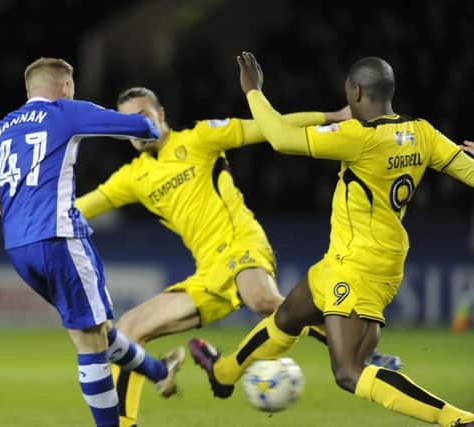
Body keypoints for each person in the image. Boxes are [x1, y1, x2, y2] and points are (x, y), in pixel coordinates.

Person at [0, 86, 401, 426]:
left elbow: (264, 128)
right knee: (127, 330)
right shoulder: (133, 177)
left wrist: (331, 116)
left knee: (264, 302)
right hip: (207, 273)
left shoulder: (200, 139)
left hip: (242, 245)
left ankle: (360, 354)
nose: (140, 128)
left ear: (162, 113)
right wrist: (19, 201)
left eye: (145, 116)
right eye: (130, 122)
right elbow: (77, 206)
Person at [189, 52, 474, 427]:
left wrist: (253, 92)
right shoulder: (422, 131)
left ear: (355, 91)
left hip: (359, 267)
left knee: (349, 372)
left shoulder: (359, 137)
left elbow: (279, 138)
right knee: (288, 315)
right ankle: (224, 373)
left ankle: (457, 420)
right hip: (352, 258)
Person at [0, 57, 185, 427]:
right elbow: (135, 126)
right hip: (59, 238)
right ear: (65, 87)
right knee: (90, 343)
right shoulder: (65, 112)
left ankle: (160, 372)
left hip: (19, 250)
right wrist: (151, 124)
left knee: (98, 330)